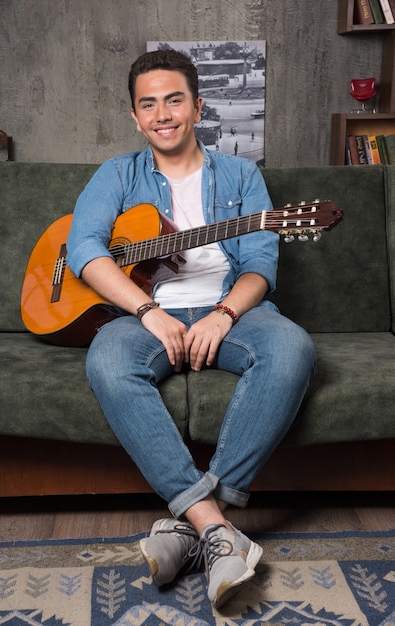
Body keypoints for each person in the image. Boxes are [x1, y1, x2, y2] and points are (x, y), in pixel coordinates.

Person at [66, 49, 315, 609]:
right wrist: (145, 311)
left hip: (230, 311)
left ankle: (191, 527)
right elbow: (83, 248)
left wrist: (224, 313)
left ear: (197, 106)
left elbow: (260, 266)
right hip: (144, 312)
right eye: (148, 104)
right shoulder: (118, 175)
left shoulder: (240, 174)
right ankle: (214, 527)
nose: (162, 114)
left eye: (174, 99)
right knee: (108, 361)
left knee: (293, 348)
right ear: (135, 116)